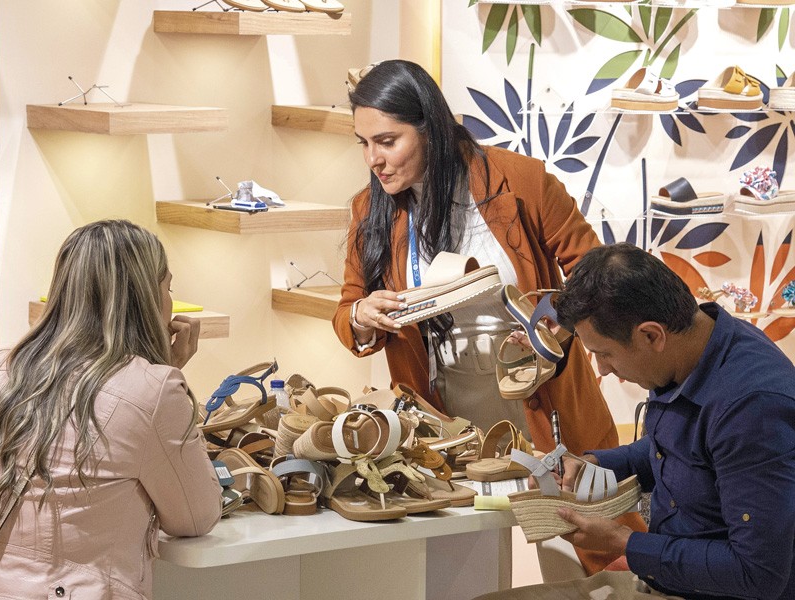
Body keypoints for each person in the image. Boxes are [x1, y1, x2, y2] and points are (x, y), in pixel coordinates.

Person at [331, 59, 645, 574]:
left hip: (542, 396)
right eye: (363, 143)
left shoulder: (520, 180)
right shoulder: (371, 209)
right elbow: (347, 311)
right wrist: (364, 314)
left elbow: (595, 270)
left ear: (429, 127)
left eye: (387, 141)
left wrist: (555, 320)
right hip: (445, 415)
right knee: (454, 561)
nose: (374, 160)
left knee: (595, 553)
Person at [477, 242, 795, 599]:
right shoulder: (691, 348)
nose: (603, 369)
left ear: (650, 335)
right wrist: (594, 464)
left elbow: (758, 573)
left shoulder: (750, 409)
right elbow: (678, 451)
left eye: (605, 354)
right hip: (666, 581)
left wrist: (624, 542)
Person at [0, 220, 222, 598]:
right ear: (146, 298)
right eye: (168, 288)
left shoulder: (3, 372)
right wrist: (165, 373)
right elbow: (196, 516)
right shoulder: (153, 390)